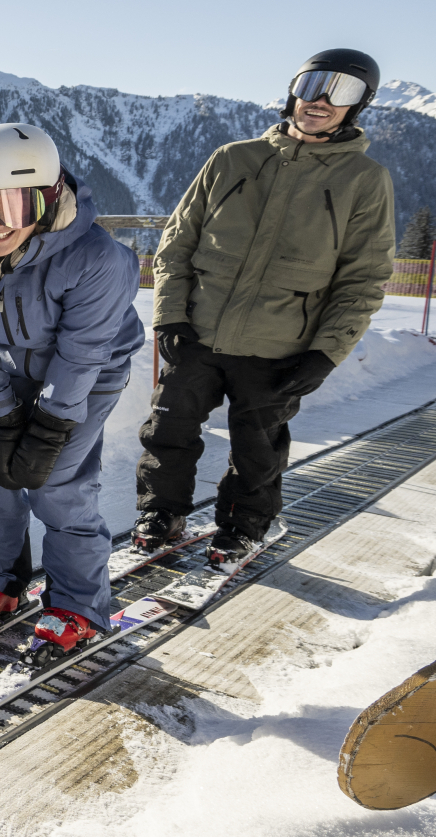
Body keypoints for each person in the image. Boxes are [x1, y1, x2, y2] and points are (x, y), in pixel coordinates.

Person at [134, 49, 396, 570]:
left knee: (257, 446)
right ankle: (161, 513)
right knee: (168, 428)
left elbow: (363, 278)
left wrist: (325, 352)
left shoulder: (363, 181)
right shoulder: (233, 159)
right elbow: (176, 243)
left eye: (340, 91)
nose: (321, 100)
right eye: (314, 83)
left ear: (358, 105)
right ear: (294, 87)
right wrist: (169, 314)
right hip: (200, 332)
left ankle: (243, 527)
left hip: (280, 345)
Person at [0, 124, 145, 658]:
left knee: (56, 481)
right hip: (9, 368)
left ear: (46, 202)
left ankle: (78, 605)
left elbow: (83, 352)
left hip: (89, 373)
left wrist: (48, 425)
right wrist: (2, 414)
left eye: (13, 207)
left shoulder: (96, 258)